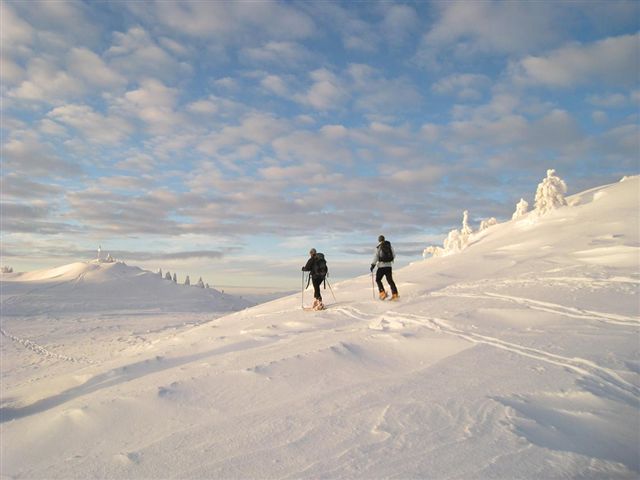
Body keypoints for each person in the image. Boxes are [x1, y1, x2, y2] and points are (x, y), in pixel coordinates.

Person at [370, 235, 399, 301]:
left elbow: (376, 256)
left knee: (378, 279)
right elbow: (394, 255)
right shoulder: (389, 246)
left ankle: (382, 293)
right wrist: (389, 260)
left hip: (381, 267)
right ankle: (395, 294)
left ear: (379, 240)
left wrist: (373, 265)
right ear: (384, 239)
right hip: (389, 266)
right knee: (390, 280)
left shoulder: (379, 247)